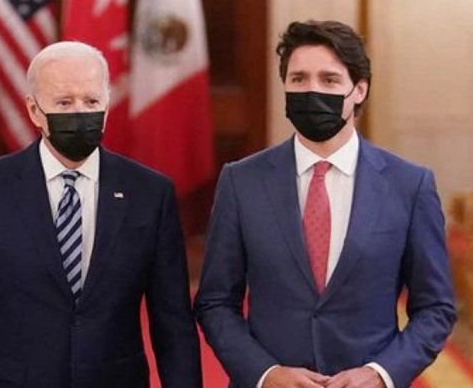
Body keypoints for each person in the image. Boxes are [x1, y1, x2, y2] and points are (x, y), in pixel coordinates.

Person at [194, 20, 456, 388]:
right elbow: (215, 302)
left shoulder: (409, 186)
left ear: (359, 90)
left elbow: (435, 308)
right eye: (299, 79)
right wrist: (265, 374)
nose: (312, 90)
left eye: (329, 80)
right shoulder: (241, 181)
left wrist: (380, 374)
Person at [0, 41, 202, 388]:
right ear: (34, 110)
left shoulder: (150, 193)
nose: (80, 112)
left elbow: (173, 325)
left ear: (107, 104)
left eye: (91, 101)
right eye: (64, 102)